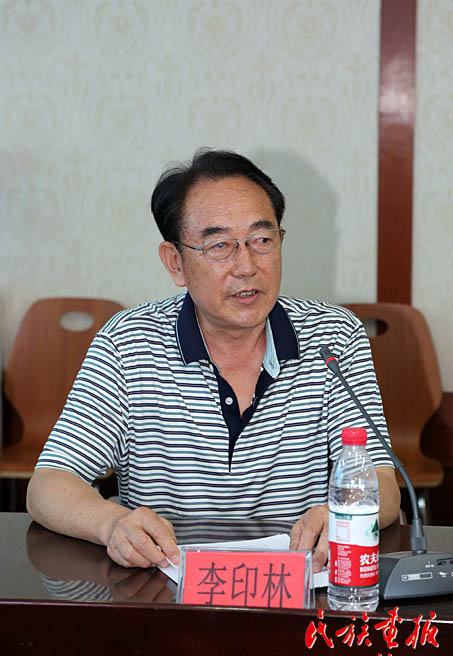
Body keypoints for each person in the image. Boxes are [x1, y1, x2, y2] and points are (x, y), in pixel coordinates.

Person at [27, 149, 401, 572]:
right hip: (162, 591)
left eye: (262, 241)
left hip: (297, 589)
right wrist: (111, 523)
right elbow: (49, 484)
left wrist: (343, 514)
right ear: (176, 263)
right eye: (220, 246)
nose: (247, 266)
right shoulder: (128, 343)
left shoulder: (333, 337)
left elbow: (383, 482)